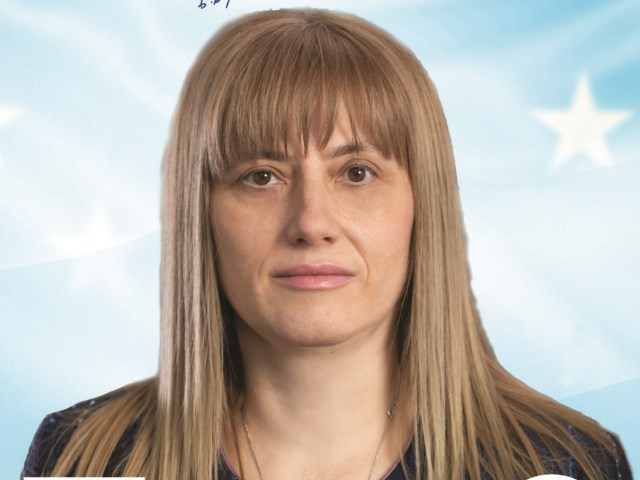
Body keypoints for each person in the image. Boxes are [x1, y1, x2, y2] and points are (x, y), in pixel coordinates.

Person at [22, 8, 632, 480]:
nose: (311, 222)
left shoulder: (559, 463)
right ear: (200, 212)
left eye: (357, 173)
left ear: (423, 206)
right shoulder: (83, 457)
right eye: (261, 176)